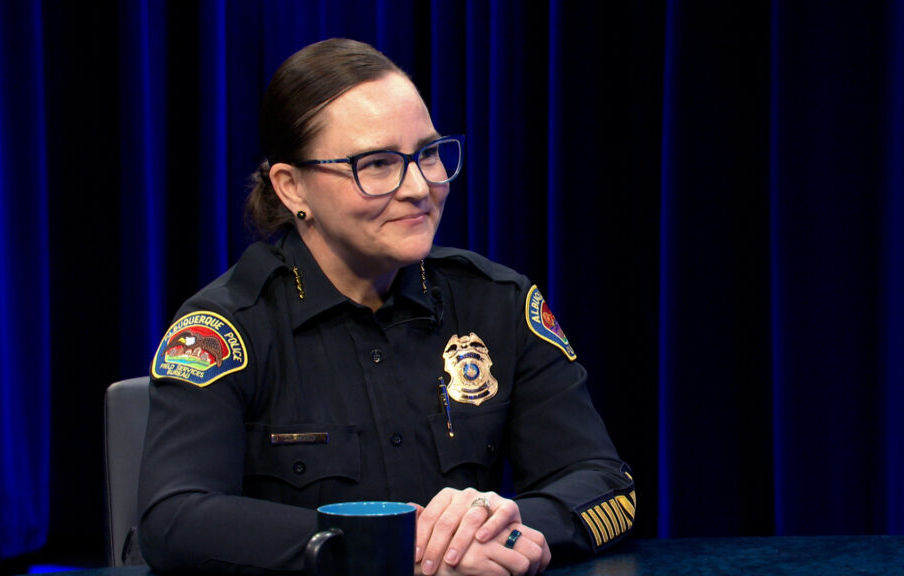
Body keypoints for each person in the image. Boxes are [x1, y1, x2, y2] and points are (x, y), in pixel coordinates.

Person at [137, 37, 635, 576]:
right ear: (292, 188)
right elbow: (173, 519)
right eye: (376, 164)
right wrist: (378, 542)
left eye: (426, 153)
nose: (420, 186)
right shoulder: (226, 328)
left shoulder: (499, 303)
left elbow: (608, 487)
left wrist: (503, 523)